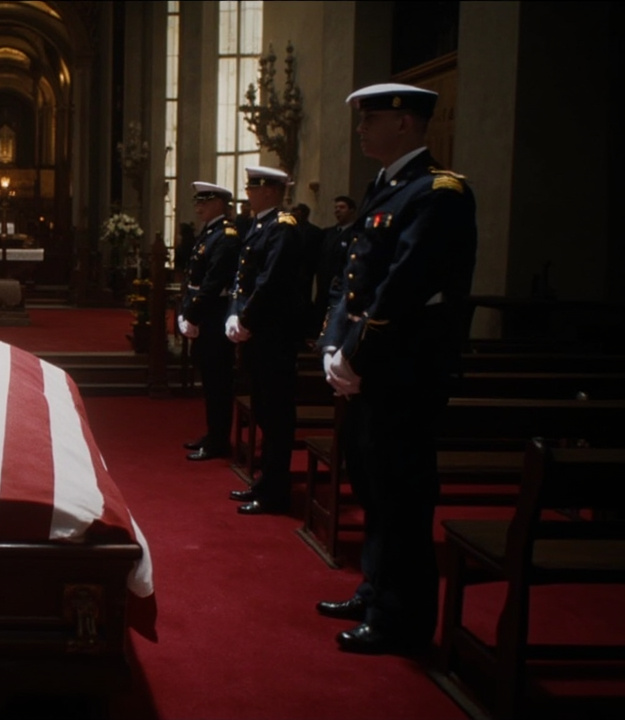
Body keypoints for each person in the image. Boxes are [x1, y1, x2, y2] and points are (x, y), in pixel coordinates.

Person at [316, 83, 476, 656]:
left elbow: (403, 288)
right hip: (366, 371)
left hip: (401, 374)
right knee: (374, 491)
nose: (361, 129)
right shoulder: (385, 189)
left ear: (405, 124)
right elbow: (349, 282)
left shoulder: (438, 193)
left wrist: (355, 356)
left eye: (372, 119)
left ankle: (401, 619)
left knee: (403, 498)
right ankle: (375, 589)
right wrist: (333, 348)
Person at [224, 166, 306, 515]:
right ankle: (265, 481)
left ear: (270, 192)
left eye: (253, 189)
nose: (248, 194)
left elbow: (270, 282)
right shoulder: (261, 226)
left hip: (273, 336)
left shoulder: (282, 228)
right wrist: (234, 313)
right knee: (264, 410)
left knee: (276, 415)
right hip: (258, 334)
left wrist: (246, 319)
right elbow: (243, 279)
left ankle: (276, 490)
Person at [177, 182, 240, 461]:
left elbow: (214, 281)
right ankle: (213, 433)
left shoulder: (225, 234)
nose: (198, 206)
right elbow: (194, 277)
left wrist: (193, 312)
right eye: (197, 201)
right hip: (206, 313)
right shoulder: (210, 232)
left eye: (204, 201)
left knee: (218, 382)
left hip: (214, 316)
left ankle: (219, 439)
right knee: (210, 380)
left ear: (219, 203)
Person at [310, 195, 358, 336]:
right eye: (336, 208)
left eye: (342, 207)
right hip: (324, 285)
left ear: (351, 210)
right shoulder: (328, 233)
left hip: (342, 287)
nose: (338, 211)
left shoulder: (356, 233)